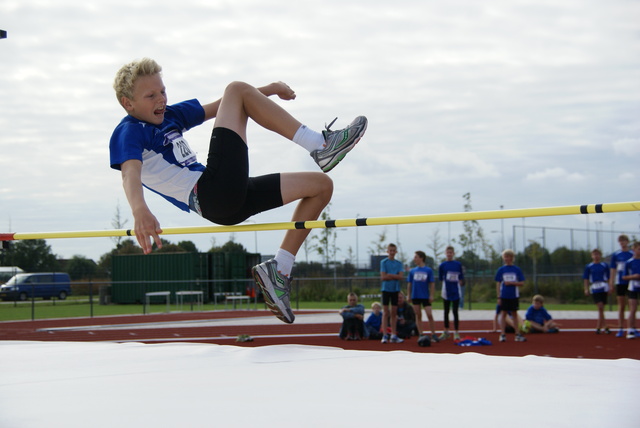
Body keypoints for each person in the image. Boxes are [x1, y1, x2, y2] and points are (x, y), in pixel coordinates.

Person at [110, 58, 367, 325]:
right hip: (210, 193)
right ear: (128, 103)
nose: (160, 99)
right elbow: (130, 172)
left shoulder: (170, 116)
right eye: (150, 95)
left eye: (162, 91)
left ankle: (279, 271)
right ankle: (321, 145)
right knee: (236, 89)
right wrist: (139, 209)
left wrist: (269, 89)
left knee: (321, 187)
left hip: (229, 197)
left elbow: (222, 106)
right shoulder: (128, 132)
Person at [495, 249, 526, 342]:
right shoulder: (501, 270)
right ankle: (502, 334)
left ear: (512, 258)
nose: (507, 259)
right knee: (503, 314)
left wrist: (512, 283)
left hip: (514, 295)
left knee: (514, 314)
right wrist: (498, 296)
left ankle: (517, 334)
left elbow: (522, 282)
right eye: (505, 257)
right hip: (504, 295)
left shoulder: (516, 269)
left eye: (509, 257)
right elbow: (498, 283)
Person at [407, 251, 438, 341]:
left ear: (421, 258)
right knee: (418, 315)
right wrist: (409, 295)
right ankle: (421, 333)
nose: (414, 259)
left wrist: (432, 295)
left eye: (416, 257)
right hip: (415, 296)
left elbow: (432, 283)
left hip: (425, 296)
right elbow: (410, 284)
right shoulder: (412, 271)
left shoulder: (428, 270)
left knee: (429, 314)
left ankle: (433, 334)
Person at [438, 246, 465, 341]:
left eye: (451, 252)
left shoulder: (458, 264)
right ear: (445, 253)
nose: (449, 254)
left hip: (456, 290)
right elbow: (441, 278)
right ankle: (446, 331)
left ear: (453, 253)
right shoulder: (442, 265)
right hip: (446, 290)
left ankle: (456, 332)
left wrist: (460, 282)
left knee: (455, 311)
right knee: (446, 311)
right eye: (447, 252)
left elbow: (461, 277)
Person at [380, 243, 404, 343]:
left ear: (396, 252)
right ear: (387, 251)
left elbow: (400, 277)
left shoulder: (399, 263)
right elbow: (383, 277)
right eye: (390, 250)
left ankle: (393, 334)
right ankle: (385, 335)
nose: (392, 252)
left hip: (395, 289)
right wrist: (394, 276)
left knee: (394, 312)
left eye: (394, 250)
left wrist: (390, 275)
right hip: (386, 290)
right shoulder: (384, 262)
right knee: (386, 312)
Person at [609, 235, 633, 337]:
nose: (622, 243)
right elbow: (613, 269)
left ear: (627, 242)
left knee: (632, 306)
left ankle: (631, 328)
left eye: (623, 241)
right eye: (620, 241)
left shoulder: (632, 253)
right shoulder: (616, 255)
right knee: (621, 306)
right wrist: (611, 282)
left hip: (631, 282)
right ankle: (620, 328)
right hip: (620, 282)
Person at [583, 248, 611, 334]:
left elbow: (609, 277)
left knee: (602, 308)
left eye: (597, 254)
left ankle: (599, 326)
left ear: (600, 255)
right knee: (600, 306)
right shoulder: (589, 266)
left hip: (603, 286)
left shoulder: (604, 265)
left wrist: (610, 287)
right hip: (595, 287)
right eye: (594, 255)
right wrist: (586, 288)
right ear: (592, 256)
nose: (596, 256)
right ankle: (604, 326)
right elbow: (586, 278)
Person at [622, 241, 640, 339]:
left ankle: (635, 328)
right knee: (632, 309)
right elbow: (624, 277)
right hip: (633, 287)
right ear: (634, 250)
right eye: (639, 249)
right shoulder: (629, 262)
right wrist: (634, 276)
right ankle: (630, 329)